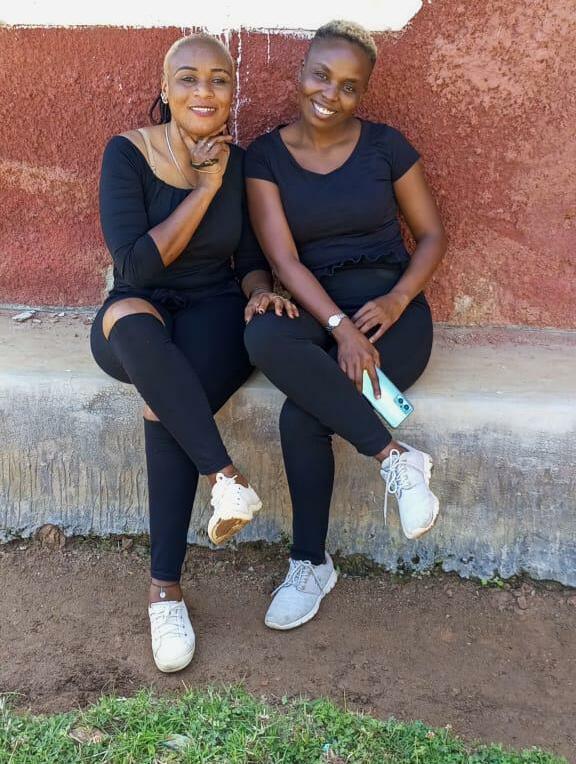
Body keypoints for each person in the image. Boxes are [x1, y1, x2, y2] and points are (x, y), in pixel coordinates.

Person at [90, 34, 297, 672]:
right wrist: (203, 190)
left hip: (214, 311)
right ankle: (226, 480)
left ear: (233, 93)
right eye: (187, 78)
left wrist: (260, 293)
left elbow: (250, 259)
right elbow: (135, 266)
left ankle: (165, 591)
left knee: (163, 403)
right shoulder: (126, 154)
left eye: (218, 80)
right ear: (165, 88)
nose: (204, 91)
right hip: (141, 307)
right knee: (129, 320)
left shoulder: (243, 163)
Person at [244, 20, 447, 631]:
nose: (330, 93)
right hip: (318, 306)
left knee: (303, 413)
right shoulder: (265, 156)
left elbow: (432, 235)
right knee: (261, 334)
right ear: (301, 72)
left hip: (390, 313)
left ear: (363, 93)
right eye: (321, 75)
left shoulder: (387, 146)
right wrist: (339, 328)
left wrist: (397, 300)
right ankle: (396, 458)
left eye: (349, 86)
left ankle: (309, 563)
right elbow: (283, 261)